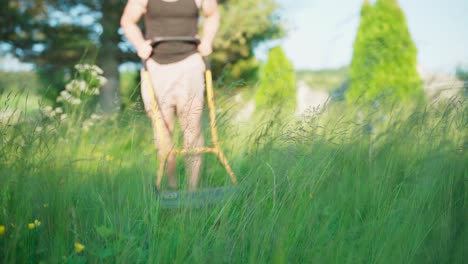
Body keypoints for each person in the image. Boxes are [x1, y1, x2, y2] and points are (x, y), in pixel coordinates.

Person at [120, 0, 220, 191]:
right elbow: (127, 21)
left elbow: (213, 14)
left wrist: (207, 40)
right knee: (162, 131)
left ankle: (193, 190)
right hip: (156, 67)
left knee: (192, 128)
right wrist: (140, 44)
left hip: (189, 63)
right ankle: (171, 187)